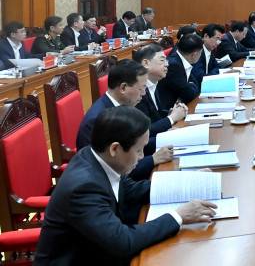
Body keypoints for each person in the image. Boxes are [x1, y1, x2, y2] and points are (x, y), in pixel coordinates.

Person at [35, 106, 217, 265]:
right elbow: (122, 242)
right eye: (138, 150)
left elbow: (130, 189)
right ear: (115, 149)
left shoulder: (99, 157)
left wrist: (186, 182)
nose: (141, 157)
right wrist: (178, 216)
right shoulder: (83, 187)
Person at [75, 60, 174, 184]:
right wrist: (152, 159)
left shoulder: (123, 106)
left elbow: (132, 144)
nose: (144, 94)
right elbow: (110, 170)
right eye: (141, 88)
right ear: (123, 88)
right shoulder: (97, 120)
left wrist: (166, 138)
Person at [133, 44, 188, 133]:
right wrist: (172, 118)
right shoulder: (137, 92)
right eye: (162, 60)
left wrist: (172, 113)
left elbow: (155, 117)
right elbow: (144, 131)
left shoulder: (154, 82)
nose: (167, 64)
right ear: (146, 63)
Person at [155, 34, 203, 111]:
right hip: (168, 111)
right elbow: (189, 94)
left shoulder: (181, 60)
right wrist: (191, 86)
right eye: (201, 53)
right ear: (194, 54)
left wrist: (191, 85)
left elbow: (195, 83)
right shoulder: (173, 65)